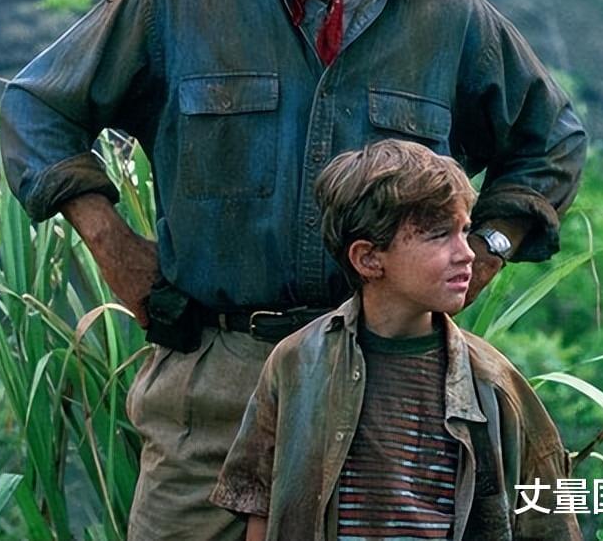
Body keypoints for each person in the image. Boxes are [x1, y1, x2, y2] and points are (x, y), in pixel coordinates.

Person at [0, 0, 585, 540]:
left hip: (388, 387)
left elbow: (552, 143)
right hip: (214, 381)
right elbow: (36, 106)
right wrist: (113, 244)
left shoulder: (448, 19)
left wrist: (487, 248)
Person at [211, 139, 582, 541]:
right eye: (439, 235)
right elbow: (261, 503)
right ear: (368, 258)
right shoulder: (297, 363)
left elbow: (548, 519)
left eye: (465, 231)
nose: (467, 253)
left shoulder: (493, 384)